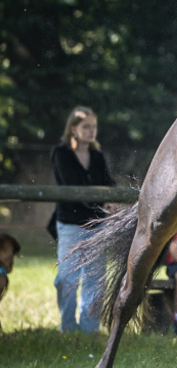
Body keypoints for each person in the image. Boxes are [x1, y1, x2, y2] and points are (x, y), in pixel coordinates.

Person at [51, 106, 116, 333]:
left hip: (98, 225)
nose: (91, 131)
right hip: (70, 225)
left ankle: (89, 330)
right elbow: (72, 185)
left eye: (94, 127)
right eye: (86, 126)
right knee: (65, 279)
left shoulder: (97, 156)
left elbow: (109, 184)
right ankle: (68, 328)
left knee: (95, 280)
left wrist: (112, 201)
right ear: (73, 129)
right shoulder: (61, 153)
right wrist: (102, 202)